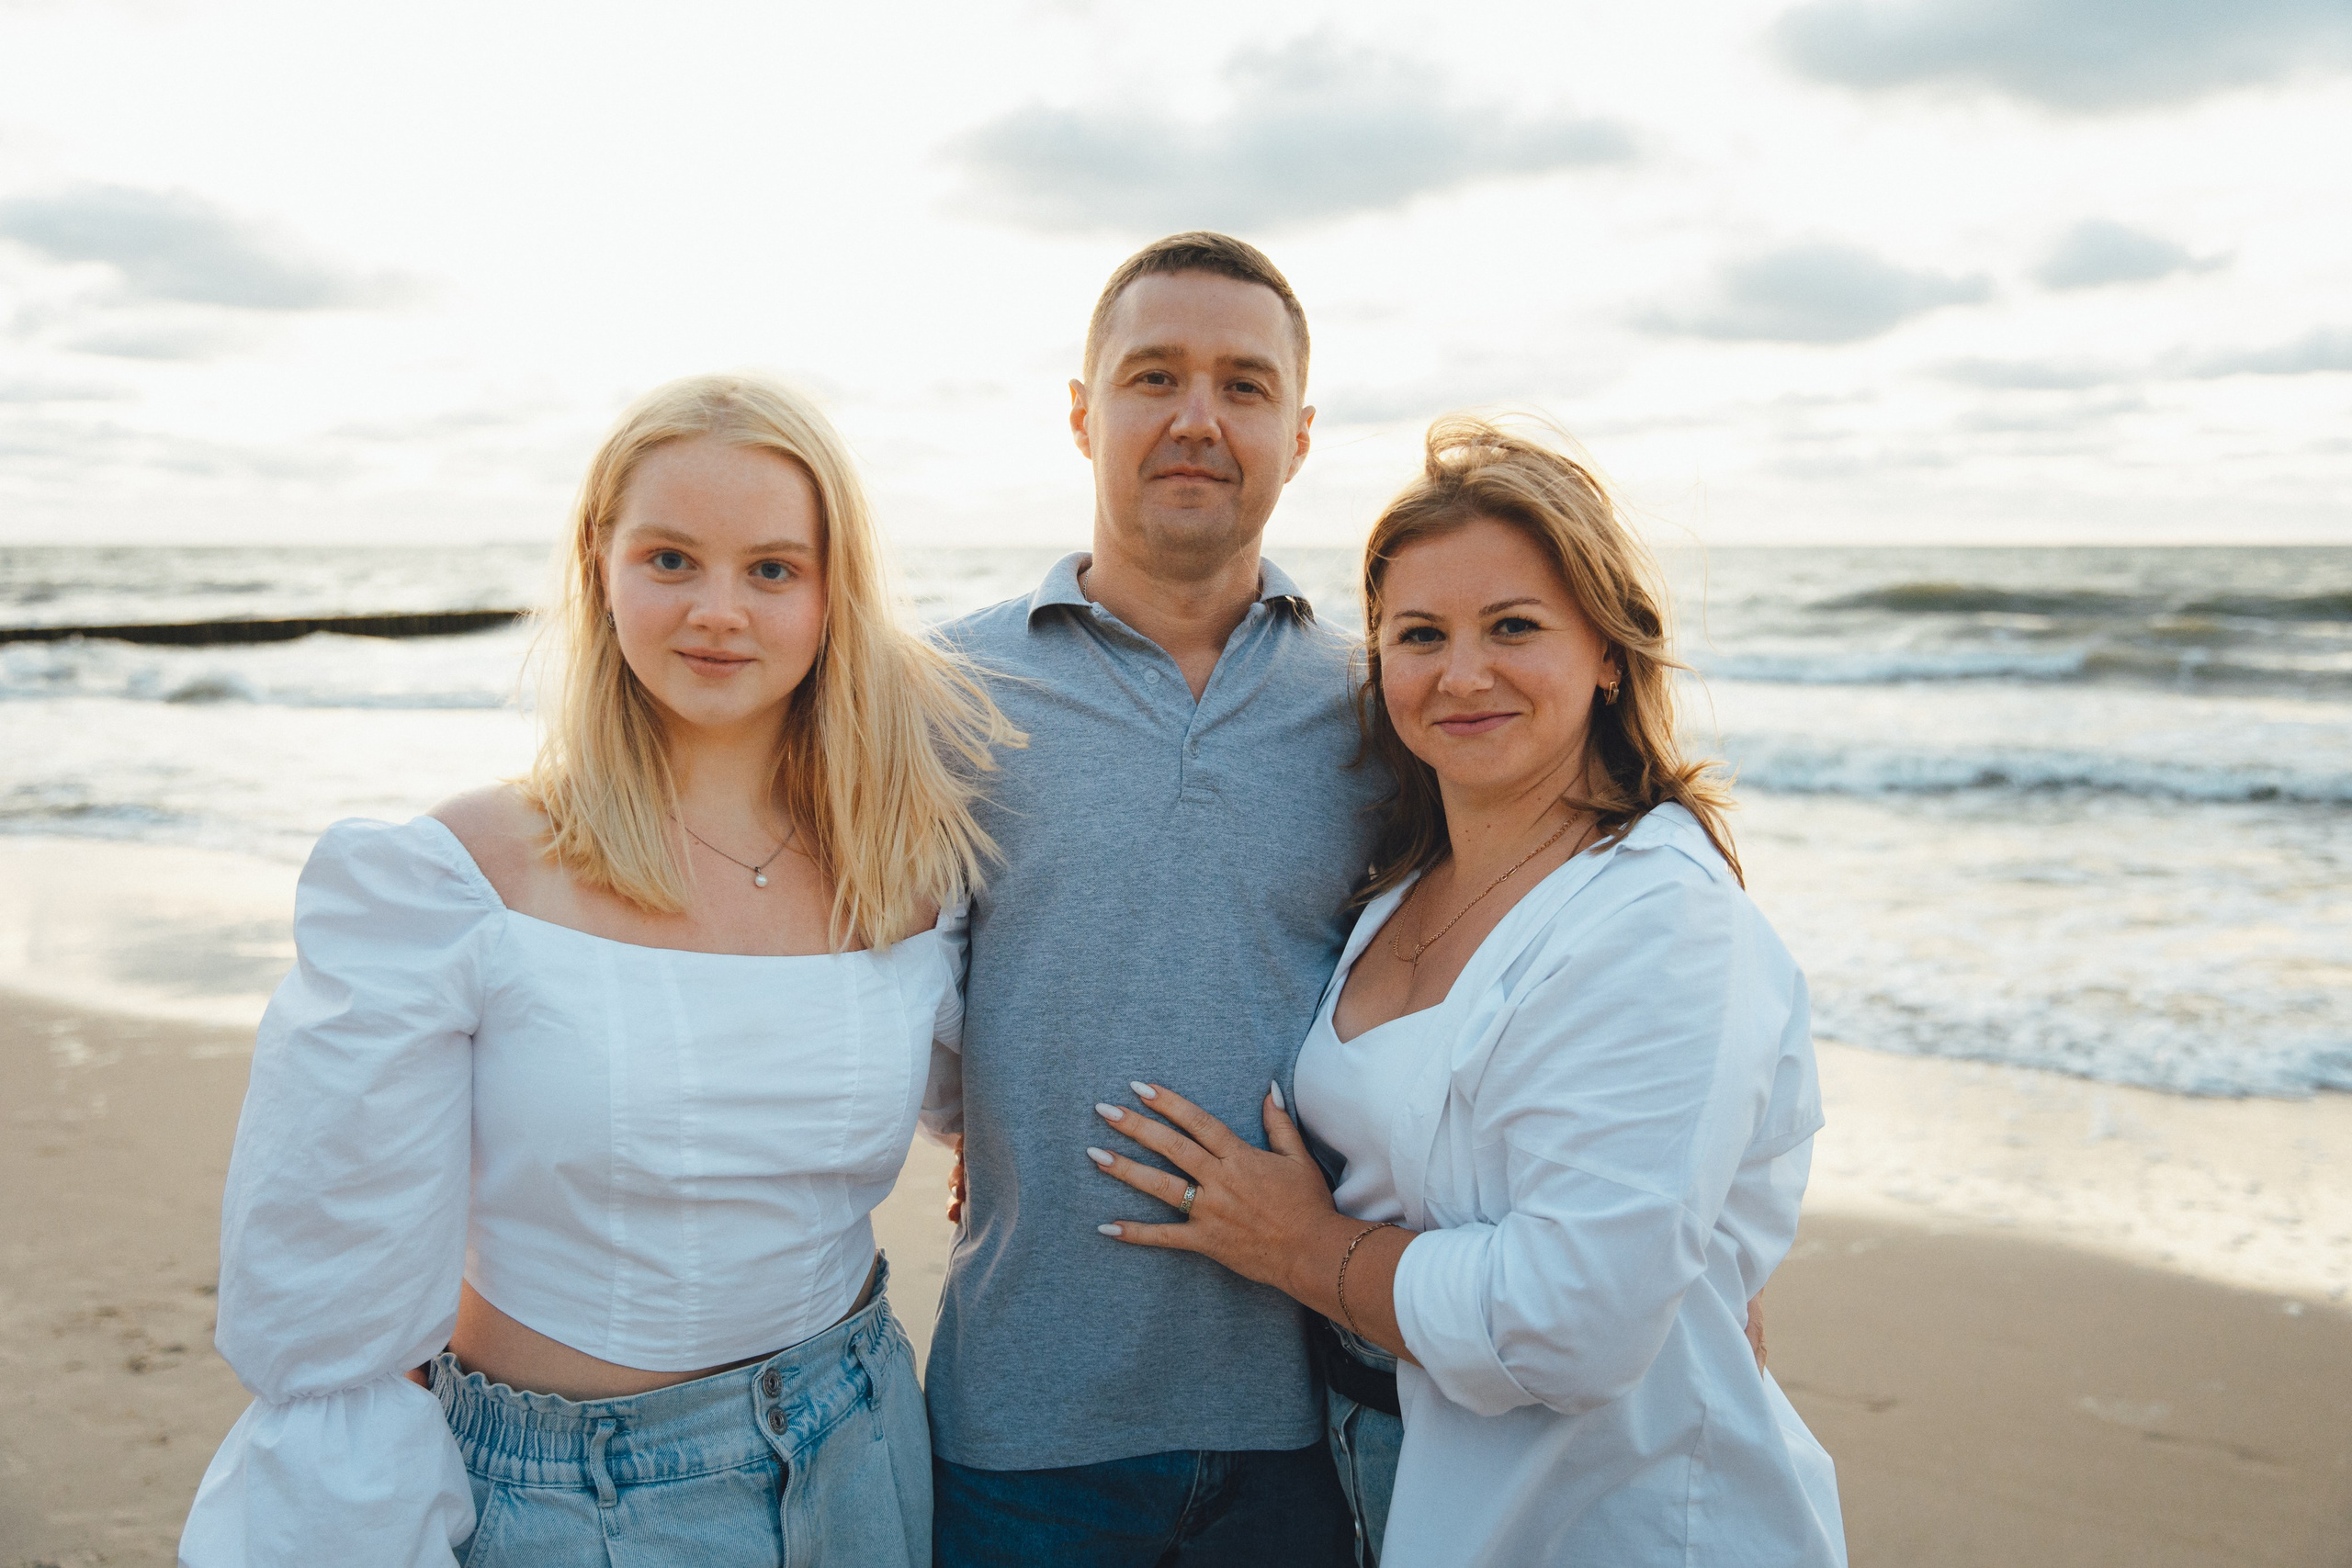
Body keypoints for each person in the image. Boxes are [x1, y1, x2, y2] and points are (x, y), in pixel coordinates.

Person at [178, 374, 1017, 1566]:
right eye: (671, 558)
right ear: (600, 565)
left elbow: (980, 1100)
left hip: (864, 1450)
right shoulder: (459, 881)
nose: (718, 609)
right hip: (578, 1499)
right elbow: (332, 1300)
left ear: (834, 592)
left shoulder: (904, 874)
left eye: (772, 568)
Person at [1079, 416, 1848, 1566]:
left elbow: (1574, 1321)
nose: (1462, 673)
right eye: (1419, 634)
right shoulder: (1406, 879)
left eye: (1514, 628)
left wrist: (1306, 1249)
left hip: (1606, 1509)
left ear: (1608, 651)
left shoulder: (1661, 922)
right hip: (1391, 1469)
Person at [920, 232, 1385, 1566]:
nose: (1197, 416)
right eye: (1153, 376)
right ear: (1083, 413)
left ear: (1299, 433)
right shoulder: (940, 692)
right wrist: (1002, 1117)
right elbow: (883, 986)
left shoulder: (1382, 704)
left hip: (1309, 1426)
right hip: (1020, 1425)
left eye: (1244, 385)